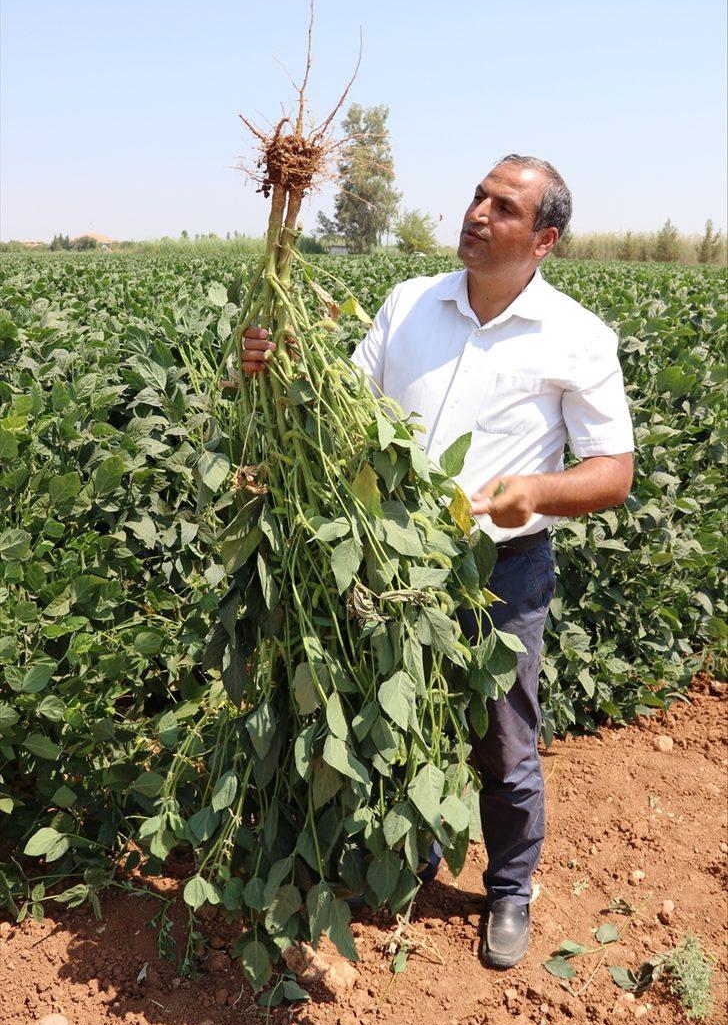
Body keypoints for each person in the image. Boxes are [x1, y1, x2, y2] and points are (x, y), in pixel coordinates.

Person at [240, 154, 634, 970]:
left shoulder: (577, 336)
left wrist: (540, 491)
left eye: (505, 207)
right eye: (478, 196)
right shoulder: (410, 302)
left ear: (545, 239)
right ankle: (411, 853)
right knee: (396, 713)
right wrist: (279, 372)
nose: (479, 213)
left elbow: (614, 472)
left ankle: (510, 889)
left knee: (502, 738)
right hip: (388, 563)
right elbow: (345, 409)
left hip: (501, 571)